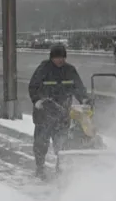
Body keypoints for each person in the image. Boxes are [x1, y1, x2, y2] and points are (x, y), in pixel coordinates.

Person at [28, 44, 90, 179]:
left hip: (62, 114)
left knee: (62, 144)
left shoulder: (70, 71)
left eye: (62, 57)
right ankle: (40, 168)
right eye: (57, 58)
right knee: (41, 143)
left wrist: (85, 100)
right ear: (51, 58)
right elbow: (33, 87)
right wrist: (37, 100)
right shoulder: (43, 69)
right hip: (44, 114)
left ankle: (60, 168)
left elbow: (78, 88)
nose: (60, 60)